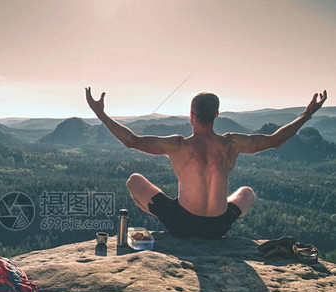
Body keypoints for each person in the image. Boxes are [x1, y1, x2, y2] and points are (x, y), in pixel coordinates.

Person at [86, 87, 328, 239]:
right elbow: (276, 140)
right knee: (247, 193)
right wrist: (306, 114)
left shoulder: (178, 145)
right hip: (218, 227)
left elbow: (131, 140)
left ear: (191, 115)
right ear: (216, 115)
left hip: (181, 224)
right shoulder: (232, 143)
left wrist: (101, 114)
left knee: (134, 181)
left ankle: (163, 221)